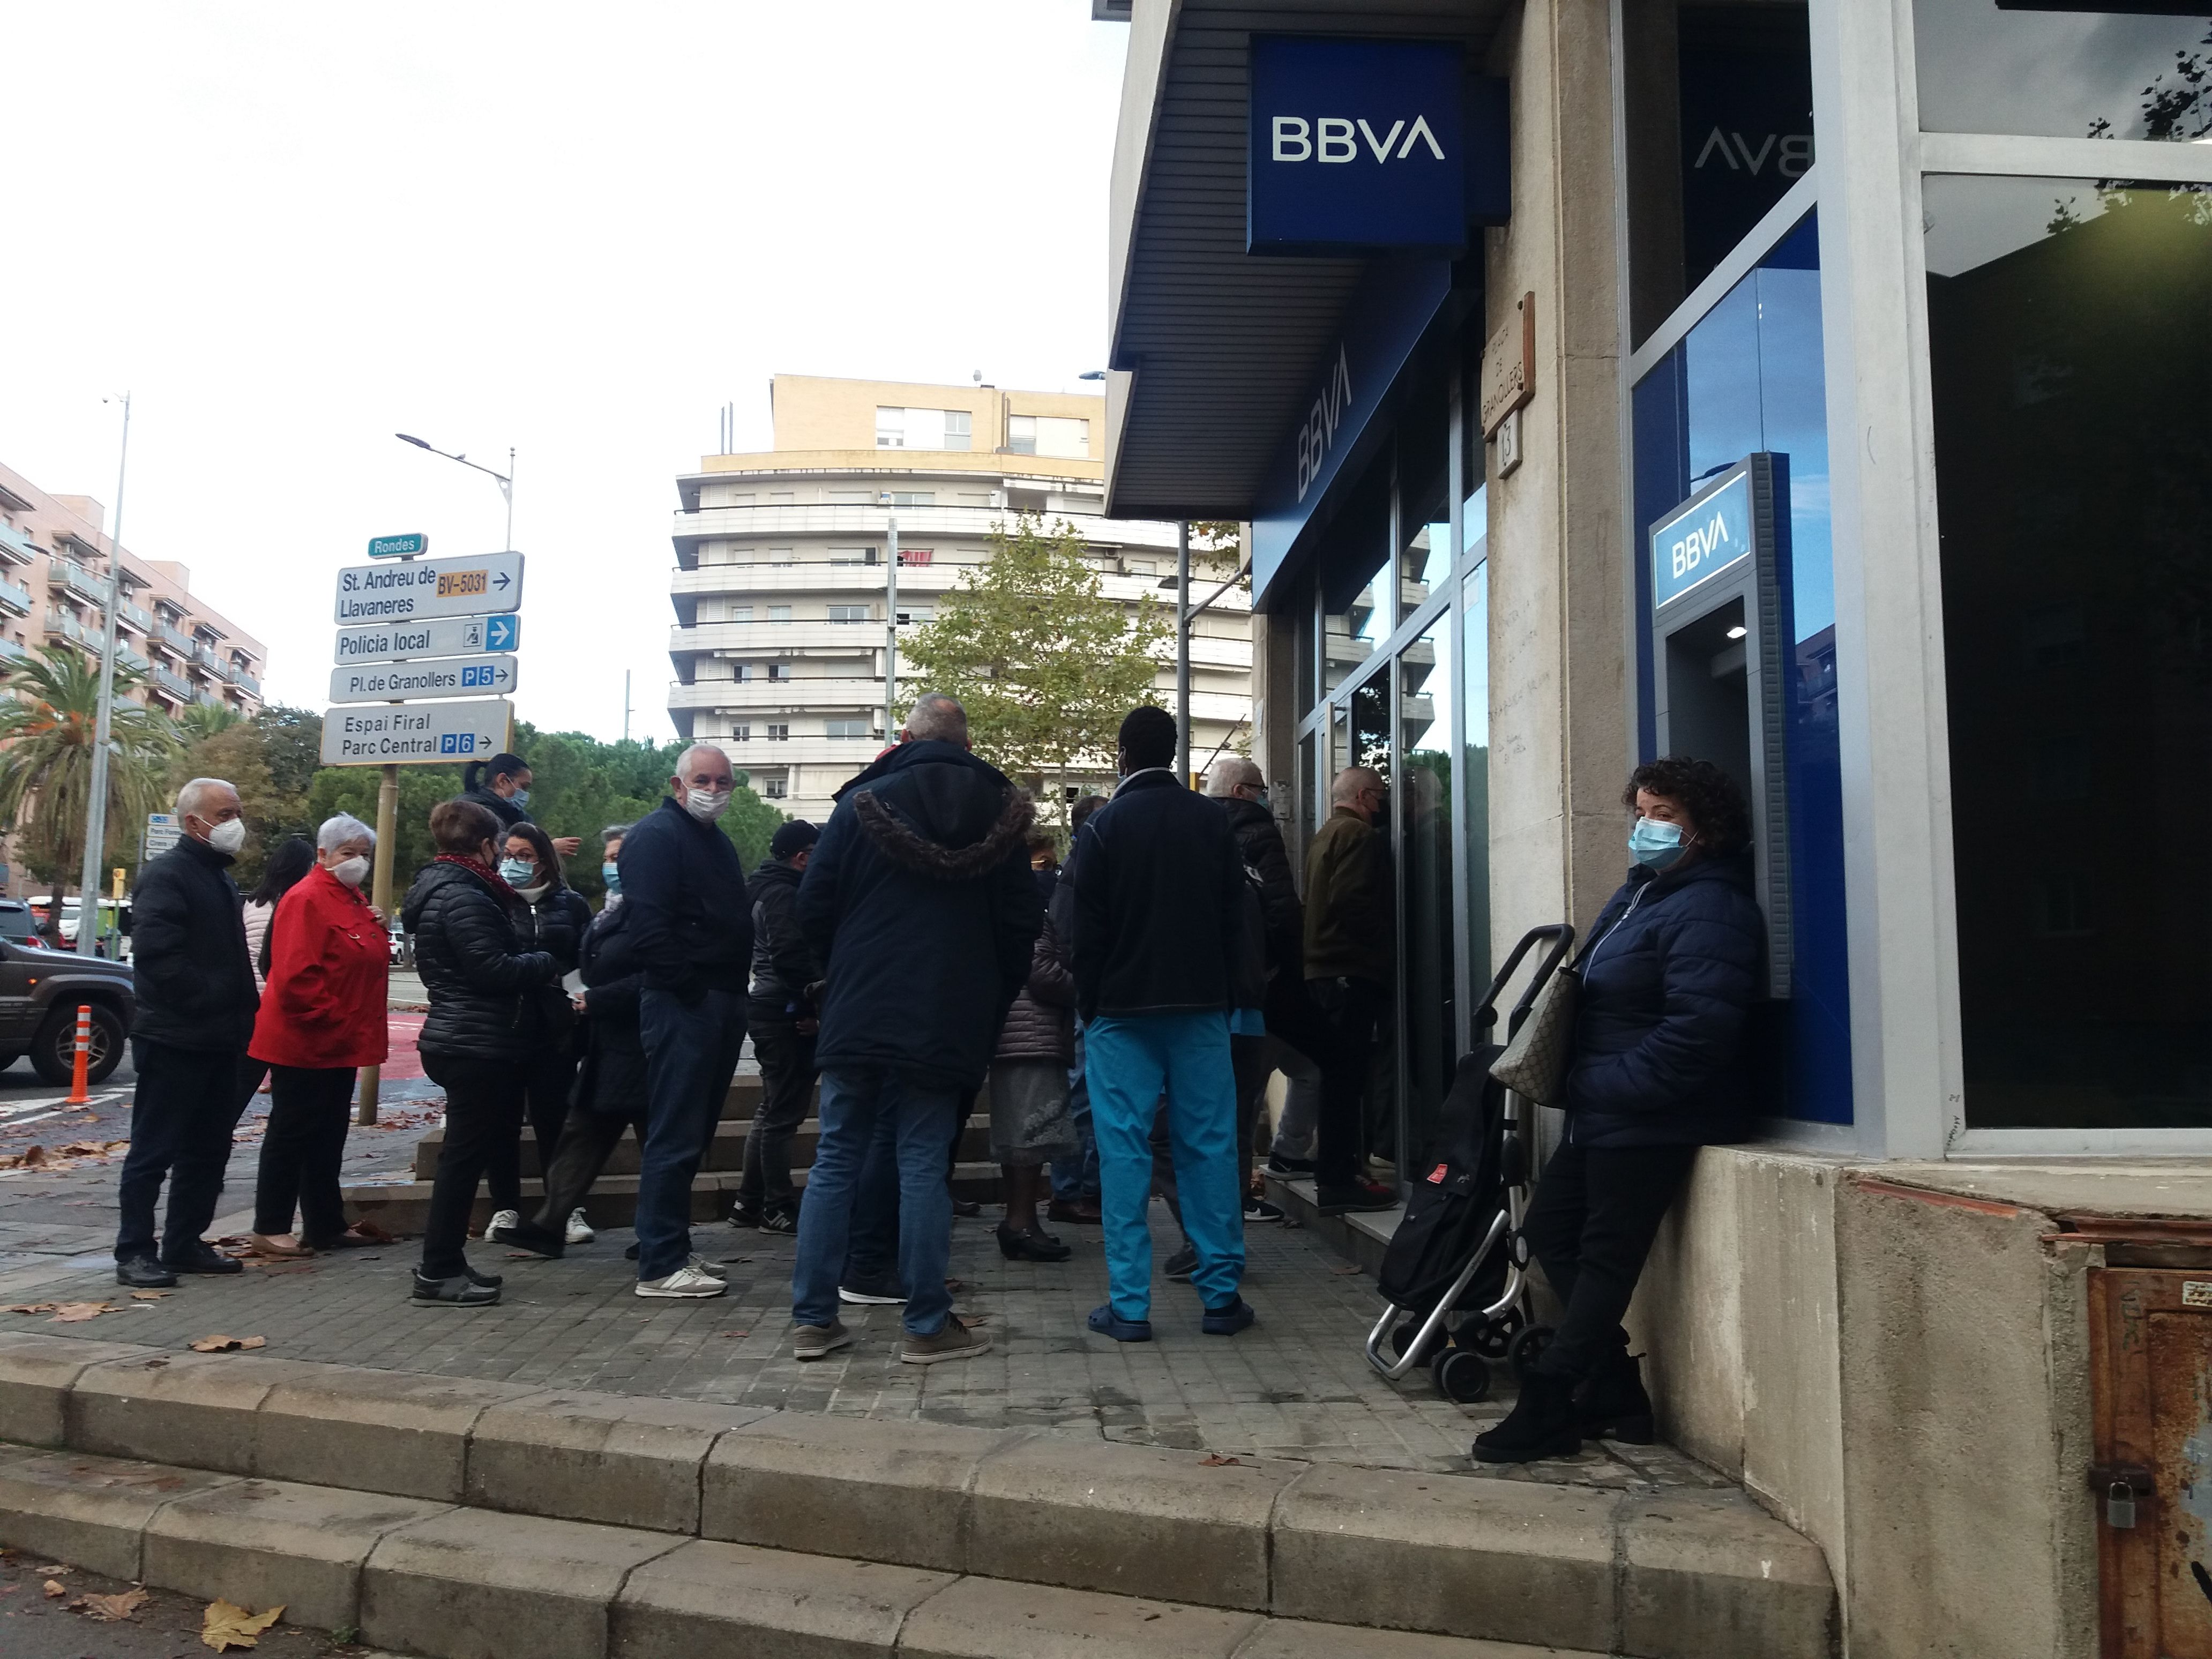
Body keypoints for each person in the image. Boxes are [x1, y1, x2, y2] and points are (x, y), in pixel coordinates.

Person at [1475, 757, 1763, 1465]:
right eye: (1640, 814)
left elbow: (1700, 1032)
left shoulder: (1714, 907)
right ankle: (1618, 1395)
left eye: (1664, 816)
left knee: (1605, 1257)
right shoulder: (1646, 894)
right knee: (1549, 1227)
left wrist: (1606, 1085)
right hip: (1609, 1109)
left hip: (1653, 1115)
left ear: (1706, 828)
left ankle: (1552, 1402)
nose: (1646, 828)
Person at [789, 691, 1039, 1364]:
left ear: (906, 738)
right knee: (924, 1162)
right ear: (965, 744)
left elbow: (812, 906)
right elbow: (1021, 926)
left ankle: (814, 1320)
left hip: (860, 1006)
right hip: (948, 1013)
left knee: (837, 1155)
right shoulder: (1004, 813)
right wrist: (988, 997)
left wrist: (836, 974)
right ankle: (927, 1327)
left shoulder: (860, 805)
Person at [1072, 706, 1254, 1342]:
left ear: (1121, 754)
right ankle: (1221, 1297)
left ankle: (1129, 1307)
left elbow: (1079, 930)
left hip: (1121, 1016)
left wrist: (1090, 1004)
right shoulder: (1212, 821)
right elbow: (1239, 917)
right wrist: (1232, 993)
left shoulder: (1102, 828)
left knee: (1124, 1152)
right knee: (1209, 1145)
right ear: (1174, 754)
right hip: (1202, 1008)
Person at [402, 797, 561, 1307]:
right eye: (500, 848)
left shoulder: (439, 889)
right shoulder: (466, 895)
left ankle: (446, 1261)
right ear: (488, 846)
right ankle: (438, 1268)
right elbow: (491, 969)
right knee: (462, 1162)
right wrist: (543, 961)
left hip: (462, 1036)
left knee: (464, 1158)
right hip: (475, 1042)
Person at [112, 778, 260, 1289]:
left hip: (220, 1039)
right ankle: (134, 1251)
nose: (235, 823)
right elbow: (157, 958)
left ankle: (183, 1243)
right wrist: (213, 996)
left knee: (208, 1148)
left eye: (237, 812)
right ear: (193, 820)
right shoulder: (167, 875)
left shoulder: (217, 877)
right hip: (174, 1038)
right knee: (154, 1150)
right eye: (225, 813)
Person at [620, 743, 754, 1299]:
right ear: (678, 784)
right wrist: (692, 989)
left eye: (724, 782)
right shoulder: (656, 837)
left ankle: (670, 1245)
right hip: (686, 1002)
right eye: (704, 779)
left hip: (717, 1000)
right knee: (675, 1132)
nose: (715, 790)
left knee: (690, 1133)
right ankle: (660, 1261)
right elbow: (648, 928)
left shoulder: (712, 842)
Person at [243, 814, 387, 1258]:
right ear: (323, 855)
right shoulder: (307, 898)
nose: (357, 862)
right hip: (307, 1040)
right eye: (349, 853)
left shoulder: (349, 899)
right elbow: (296, 977)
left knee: (327, 1135)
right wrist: (336, 1022)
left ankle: (324, 1223)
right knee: (293, 1132)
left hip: (338, 1041)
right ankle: (271, 1226)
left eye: (364, 855)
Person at [1205, 756, 1318, 1224]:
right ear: (1240, 792)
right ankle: (1239, 1197)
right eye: (1260, 787)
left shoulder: (1197, 831)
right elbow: (1282, 910)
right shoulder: (1257, 829)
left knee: (1239, 1097)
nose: (1265, 796)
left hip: (1212, 994)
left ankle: (1245, 1187)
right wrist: (1290, 971)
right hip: (1260, 989)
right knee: (1249, 1096)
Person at [482, 820, 594, 1248]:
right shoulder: (492, 901)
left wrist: (580, 998)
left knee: (556, 1121)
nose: (514, 863)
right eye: (507, 855)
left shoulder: (571, 905)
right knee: (502, 1122)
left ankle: (565, 1209)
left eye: (524, 856)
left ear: (544, 860)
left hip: (556, 1029)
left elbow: (584, 958)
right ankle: (504, 1207)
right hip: (505, 1028)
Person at [1302, 766, 1398, 1216]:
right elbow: (1350, 901)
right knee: (1346, 1082)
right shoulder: (1360, 838)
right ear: (1363, 796)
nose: (1384, 805)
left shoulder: (1326, 834)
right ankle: (1340, 1180)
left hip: (1325, 973)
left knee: (1337, 1080)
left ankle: (1341, 1171)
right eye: (1380, 796)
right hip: (1348, 971)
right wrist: (1383, 945)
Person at [989, 833, 1078, 1262]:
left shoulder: (997, 903)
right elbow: (1042, 972)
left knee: (1020, 1138)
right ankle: (1022, 1223)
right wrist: (1085, 989)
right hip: (1031, 1033)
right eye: (1043, 865)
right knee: (1028, 1138)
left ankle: (1021, 1221)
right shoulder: (1025, 909)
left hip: (1013, 1033)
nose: (1050, 873)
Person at [734, 818, 823, 1235]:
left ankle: (749, 1204)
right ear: (802, 857)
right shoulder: (784, 893)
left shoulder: (760, 887)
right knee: (783, 1116)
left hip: (768, 1005)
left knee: (773, 1110)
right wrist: (811, 1004)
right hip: (783, 1010)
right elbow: (790, 955)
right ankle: (776, 1205)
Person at [1045, 793, 1108, 1226]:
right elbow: (1067, 941)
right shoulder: (1081, 867)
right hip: (1091, 998)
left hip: (1093, 997)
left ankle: (1081, 1189)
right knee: (1082, 1097)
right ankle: (1072, 1191)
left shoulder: (1075, 867)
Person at [240, 835, 317, 1103]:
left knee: (241, 1086)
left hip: (250, 1001)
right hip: (275, 1006)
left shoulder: (253, 901)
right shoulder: (294, 902)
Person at [461, 752, 582, 859]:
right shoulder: (477, 814)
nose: (525, 794)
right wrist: (548, 849)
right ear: (502, 781)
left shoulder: (511, 814)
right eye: (524, 787)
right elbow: (502, 849)